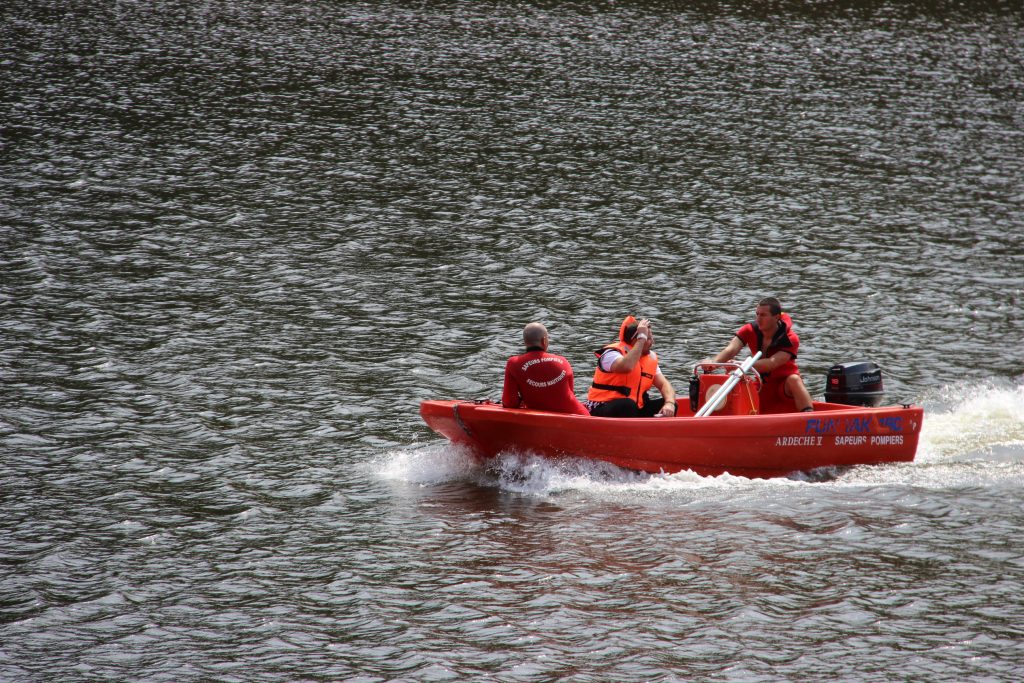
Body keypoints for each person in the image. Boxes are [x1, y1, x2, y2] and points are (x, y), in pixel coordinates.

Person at [713, 297, 814, 414]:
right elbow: (731, 350)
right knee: (737, 383)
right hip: (762, 386)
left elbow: (772, 363)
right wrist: (713, 363)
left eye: (763, 315)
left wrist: (740, 365)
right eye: (757, 314)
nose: (758, 319)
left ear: (776, 317)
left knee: (794, 379)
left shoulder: (791, 339)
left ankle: (809, 417)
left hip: (784, 389)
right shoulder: (749, 330)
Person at [585, 315, 677, 418]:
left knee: (671, 405)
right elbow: (627, 366)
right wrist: (642, 339)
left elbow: (664, 384)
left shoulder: (650, 358)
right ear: (636, 340)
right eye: (649, 338)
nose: (653, 342)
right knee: (627, 405)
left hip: (634, 408)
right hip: (602, 406)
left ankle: (651, 432)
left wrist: (669, 403)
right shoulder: (611, 353)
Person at [502, 322, 590, 415]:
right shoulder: (563, 361)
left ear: (525, 342)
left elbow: (509, 402)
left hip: (544, 421)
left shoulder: (514, 363)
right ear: (544, 341)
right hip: (580, 417)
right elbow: (570, 393)